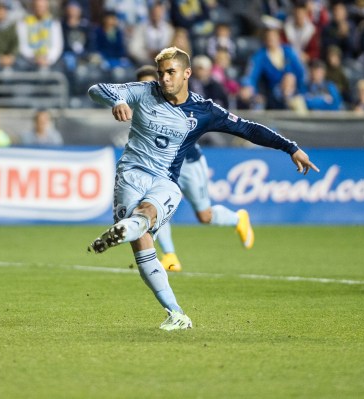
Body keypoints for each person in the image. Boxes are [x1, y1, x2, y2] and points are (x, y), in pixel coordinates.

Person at [87, 46, 319, 331]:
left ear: (187, 73)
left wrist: (290, 148)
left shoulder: (204, 110)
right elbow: (97, 88)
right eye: (161, 73)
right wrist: (117, 100)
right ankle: (175, 312)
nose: (164, 79)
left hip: (166, 180)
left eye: (171, 72)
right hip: (131, 175)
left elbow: (247, 128)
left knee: (152, 216)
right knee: (142, 240)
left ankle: (127, 229)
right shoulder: (144, 91)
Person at [136, 64, 257, 273]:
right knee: (155, 206)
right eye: (141, 84)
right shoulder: (140, 106)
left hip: (189, 165)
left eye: (149, 83)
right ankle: (171, 256)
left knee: (205, 216)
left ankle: (238, 219)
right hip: (163, 169)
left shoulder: (172, 102)